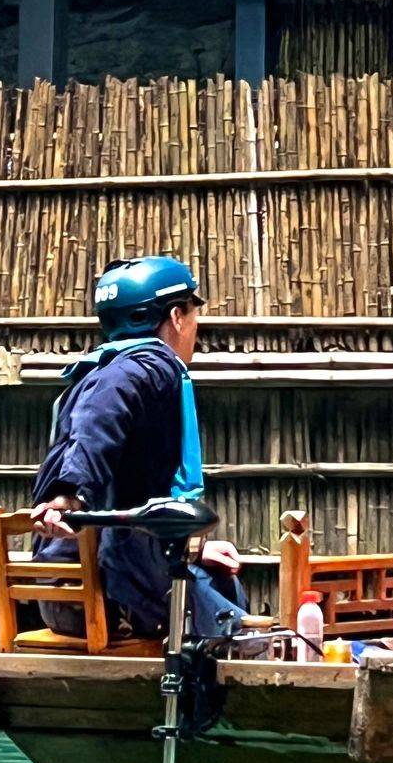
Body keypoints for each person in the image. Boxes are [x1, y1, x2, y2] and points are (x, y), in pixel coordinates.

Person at [28, 254, 248, 640]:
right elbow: (95, 429)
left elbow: (124, 488)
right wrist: (68, 495)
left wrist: (194, 550)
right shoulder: (143, 369)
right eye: (193, 314)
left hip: (70, 593)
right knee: (237, 634)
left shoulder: (98, 370)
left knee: (223, 583)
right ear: (176, 316)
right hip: (109, 594)